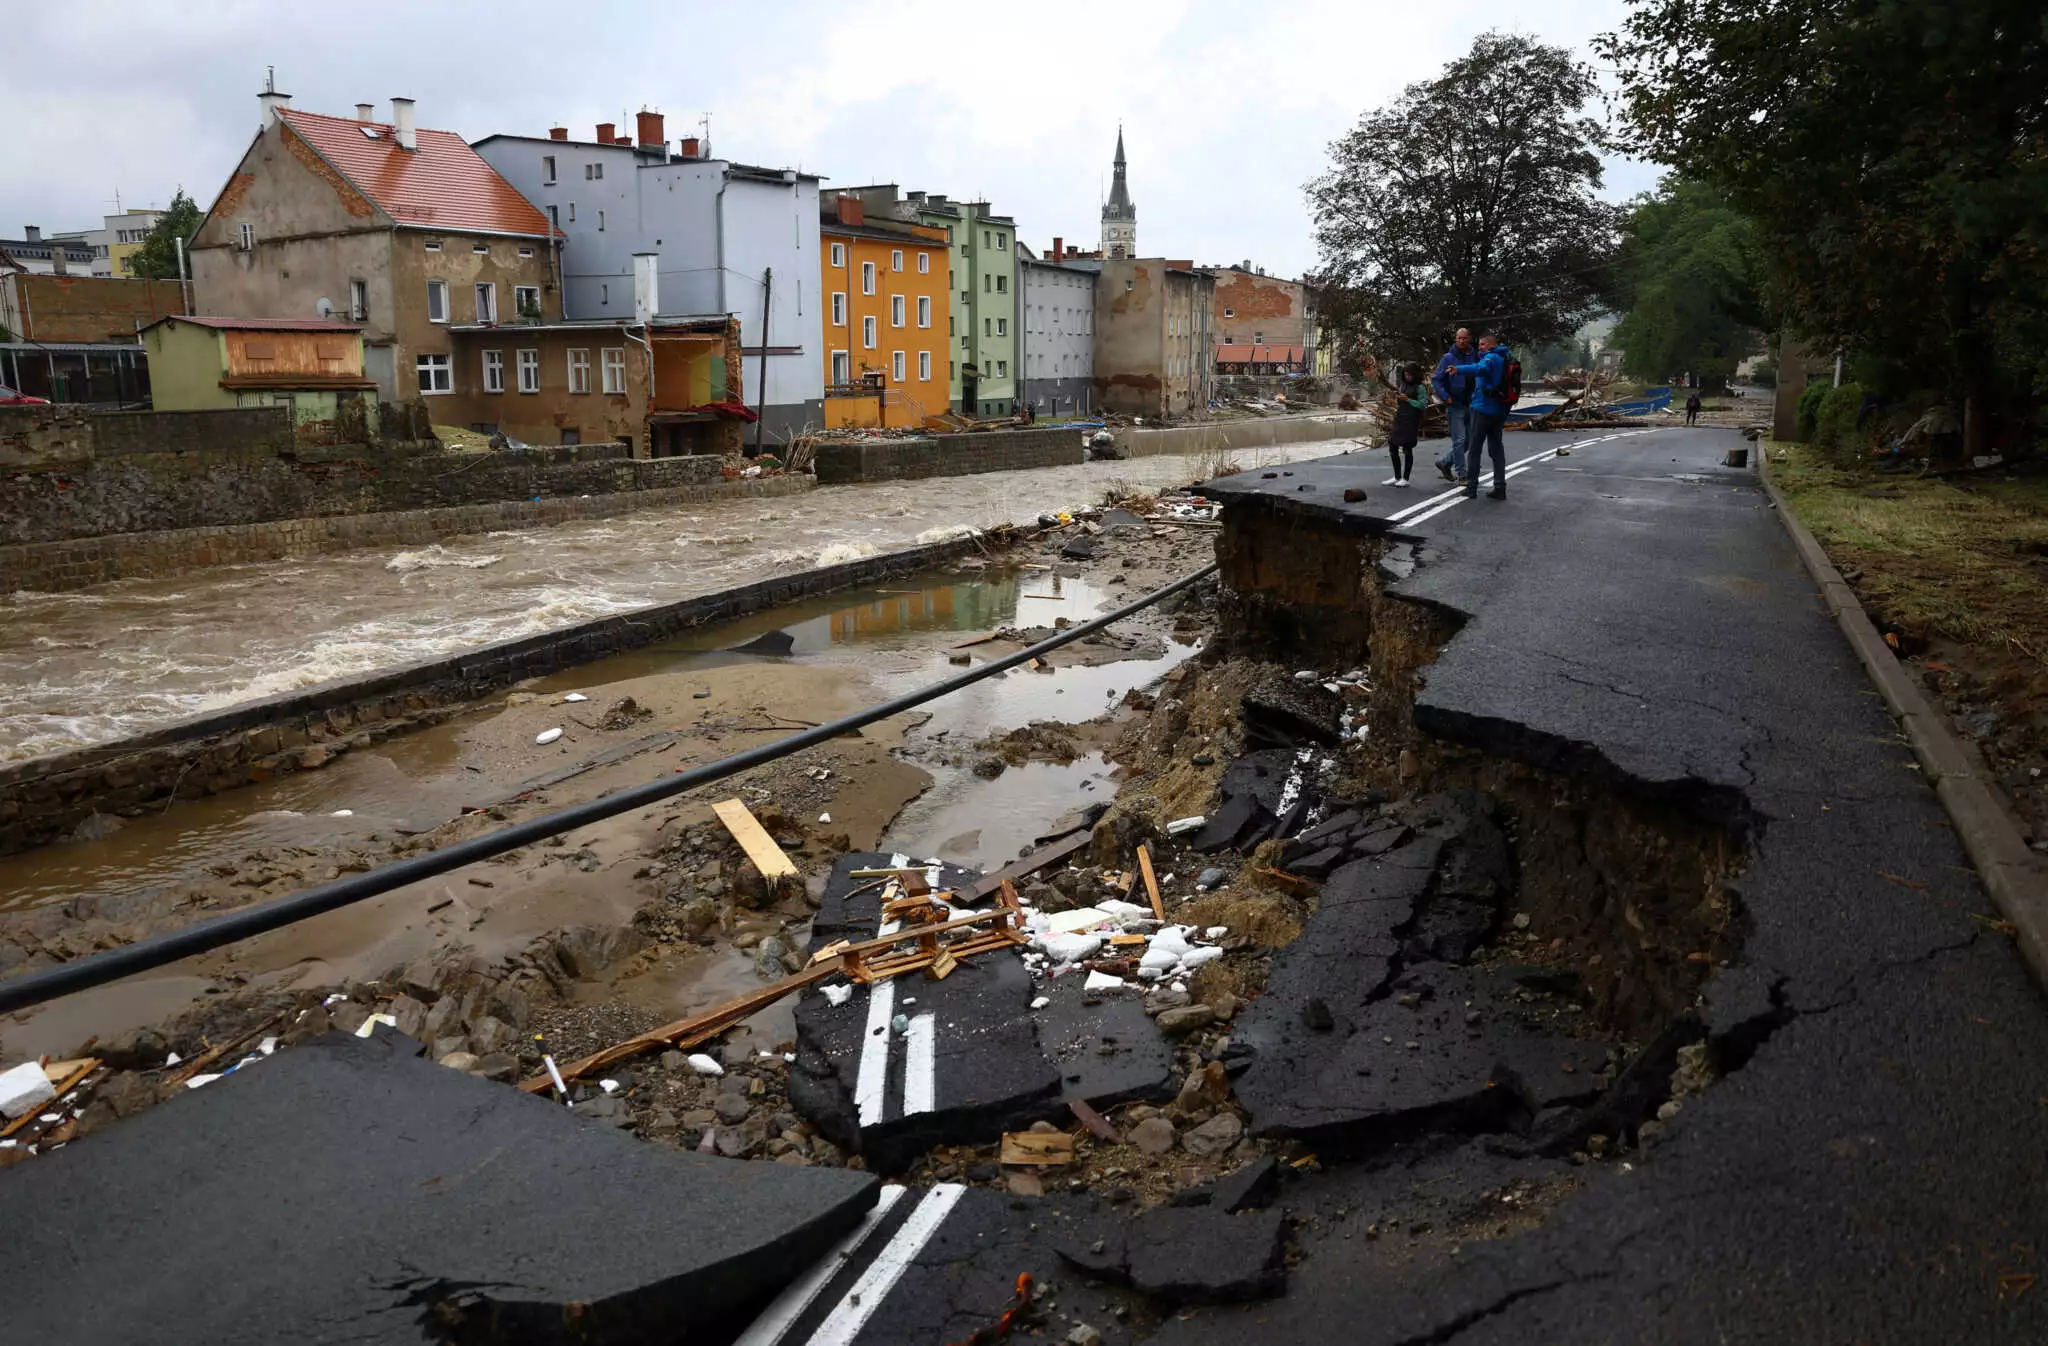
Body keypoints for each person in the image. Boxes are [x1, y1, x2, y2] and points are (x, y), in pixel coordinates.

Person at [1447, 332, 1515, 499]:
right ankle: (1500, 487)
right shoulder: (1506, 358)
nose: (1480, 348)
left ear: (1491, 344)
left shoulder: (1490, 358)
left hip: (1483, 409)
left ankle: (1472, 487)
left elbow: (1481, 368)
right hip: (1499, 410)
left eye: (1482, 345)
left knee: (1474, 450)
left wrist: (1459, 369)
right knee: (1496, 449)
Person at [1430, 328, 1477, 482]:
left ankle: (1445, 462)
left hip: (1470, 402)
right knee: (1460, 439)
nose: (1461, 341)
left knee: (1469, 441)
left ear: (1469, 338)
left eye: (1464, 338)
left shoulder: (1474, 355)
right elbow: (1436, 379)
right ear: (1456, 339)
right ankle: (1462, 474)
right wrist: (1445, 396)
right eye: (1459, 338)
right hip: (1454, 403)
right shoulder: (1448, 358)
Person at [1384, 361, 1427, 486]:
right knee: (1393, 445)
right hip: (1400, 417)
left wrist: (1408, 400)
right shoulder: (1402, 384)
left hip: (1411, 419)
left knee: (1407, 448)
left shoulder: (1420, 387)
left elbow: (1422, 404)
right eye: (1406, 374)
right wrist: (1398, 396)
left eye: (1410, 374)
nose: (1407, 376)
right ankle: (1396, 476)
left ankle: (1405, 478)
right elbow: (1401, 399)